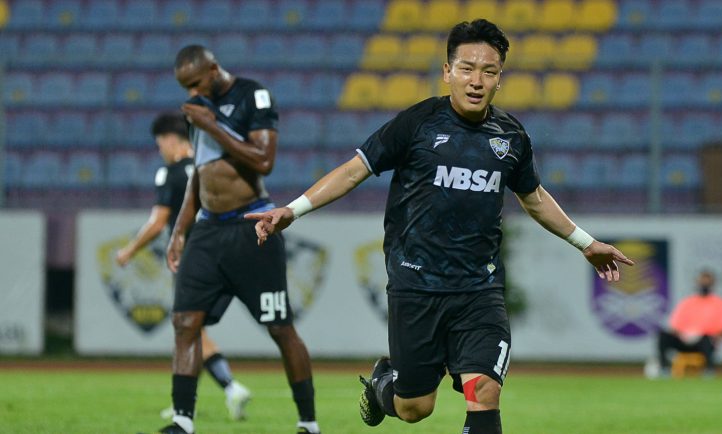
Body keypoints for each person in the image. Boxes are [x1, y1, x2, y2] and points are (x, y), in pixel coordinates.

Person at [247, 19, 633, 434]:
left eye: (488, 71)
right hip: (417, 286)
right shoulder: (417, 123)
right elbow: (354, 170)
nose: (476, 81)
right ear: (447, 72)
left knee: (484, 389)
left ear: (500, 79)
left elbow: (533, 197)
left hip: (479, 289)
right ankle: (382, 384)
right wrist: (293, 210)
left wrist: (585, 242)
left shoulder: (510, 136)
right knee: (415, 407)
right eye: (466, 69)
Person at [155, 46, 320, 434]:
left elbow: (264, 160)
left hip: (251, 227)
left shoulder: (252, 96)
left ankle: (308, 423)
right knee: (185, 322)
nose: (192, 93)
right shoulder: (199, 109)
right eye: (186, 87)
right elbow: (199, 176)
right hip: (207, 230)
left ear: (213, 69)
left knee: (280, 328)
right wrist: (179, 231)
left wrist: (212, 125)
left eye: (196, 83)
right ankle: (182, 421)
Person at [115, 112, 252, 422]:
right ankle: (186, 402)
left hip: (192, 259)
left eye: (159, 144)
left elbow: (158, 221)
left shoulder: (171, 172)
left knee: (188, 328)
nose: (160, 150)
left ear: (169, 140)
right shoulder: (210, 165)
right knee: (193, 329)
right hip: (225, 255)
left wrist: (129, 251)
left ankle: (230, 387)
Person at [655, 269, 722, 376]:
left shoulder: (720, 303)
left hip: (705, 341)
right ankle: (664, 369)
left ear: (712, 284)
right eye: (702, 282)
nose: (704, 285)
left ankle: (709, 371)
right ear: (697, 283)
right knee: (663, 335)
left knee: (707, 339)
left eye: (707, 283)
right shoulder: (688, 302)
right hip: (684, 340)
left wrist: (714, 337)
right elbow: (674, 326)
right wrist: (685, 335)